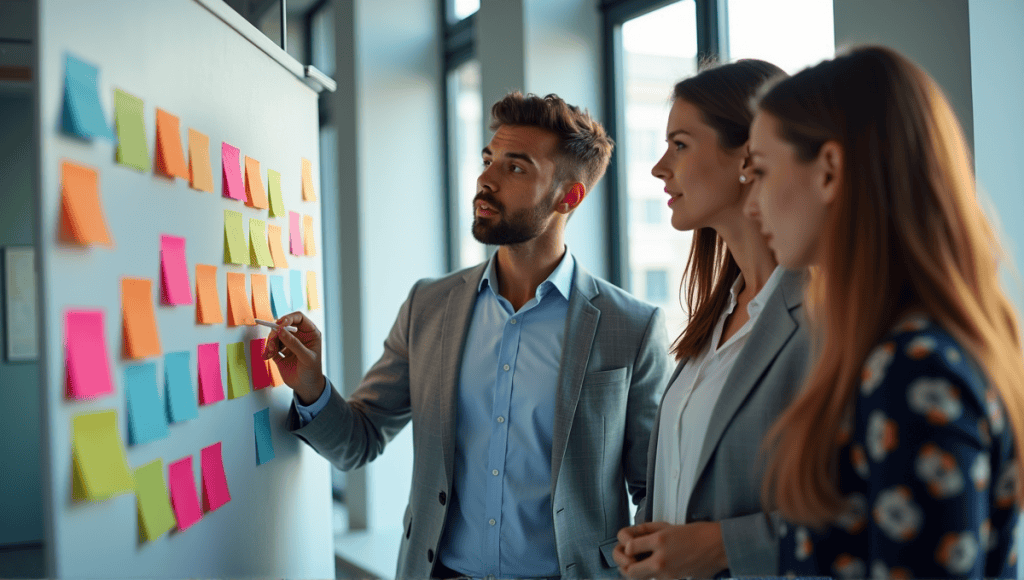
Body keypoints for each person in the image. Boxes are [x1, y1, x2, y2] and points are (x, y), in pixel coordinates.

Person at [262, 92, 673, 580]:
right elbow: (360, 441)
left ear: (569, 196)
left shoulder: (632, 326)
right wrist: (310, 383)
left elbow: (656, 490)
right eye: (488, 159)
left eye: (515, 168)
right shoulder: (429, 306)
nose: (485, 179)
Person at [746, 45, 1024, 577]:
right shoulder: (903, 353)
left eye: (760, 171)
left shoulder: (914, 369)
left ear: (829, 169)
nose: (753, 202)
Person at [612, 60, 812, 579]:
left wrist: (723, 546)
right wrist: (649, 535)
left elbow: (865, 511)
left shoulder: (823, 317)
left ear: (749, 155)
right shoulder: (713, 318)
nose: (659, 167)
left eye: (679, 144)